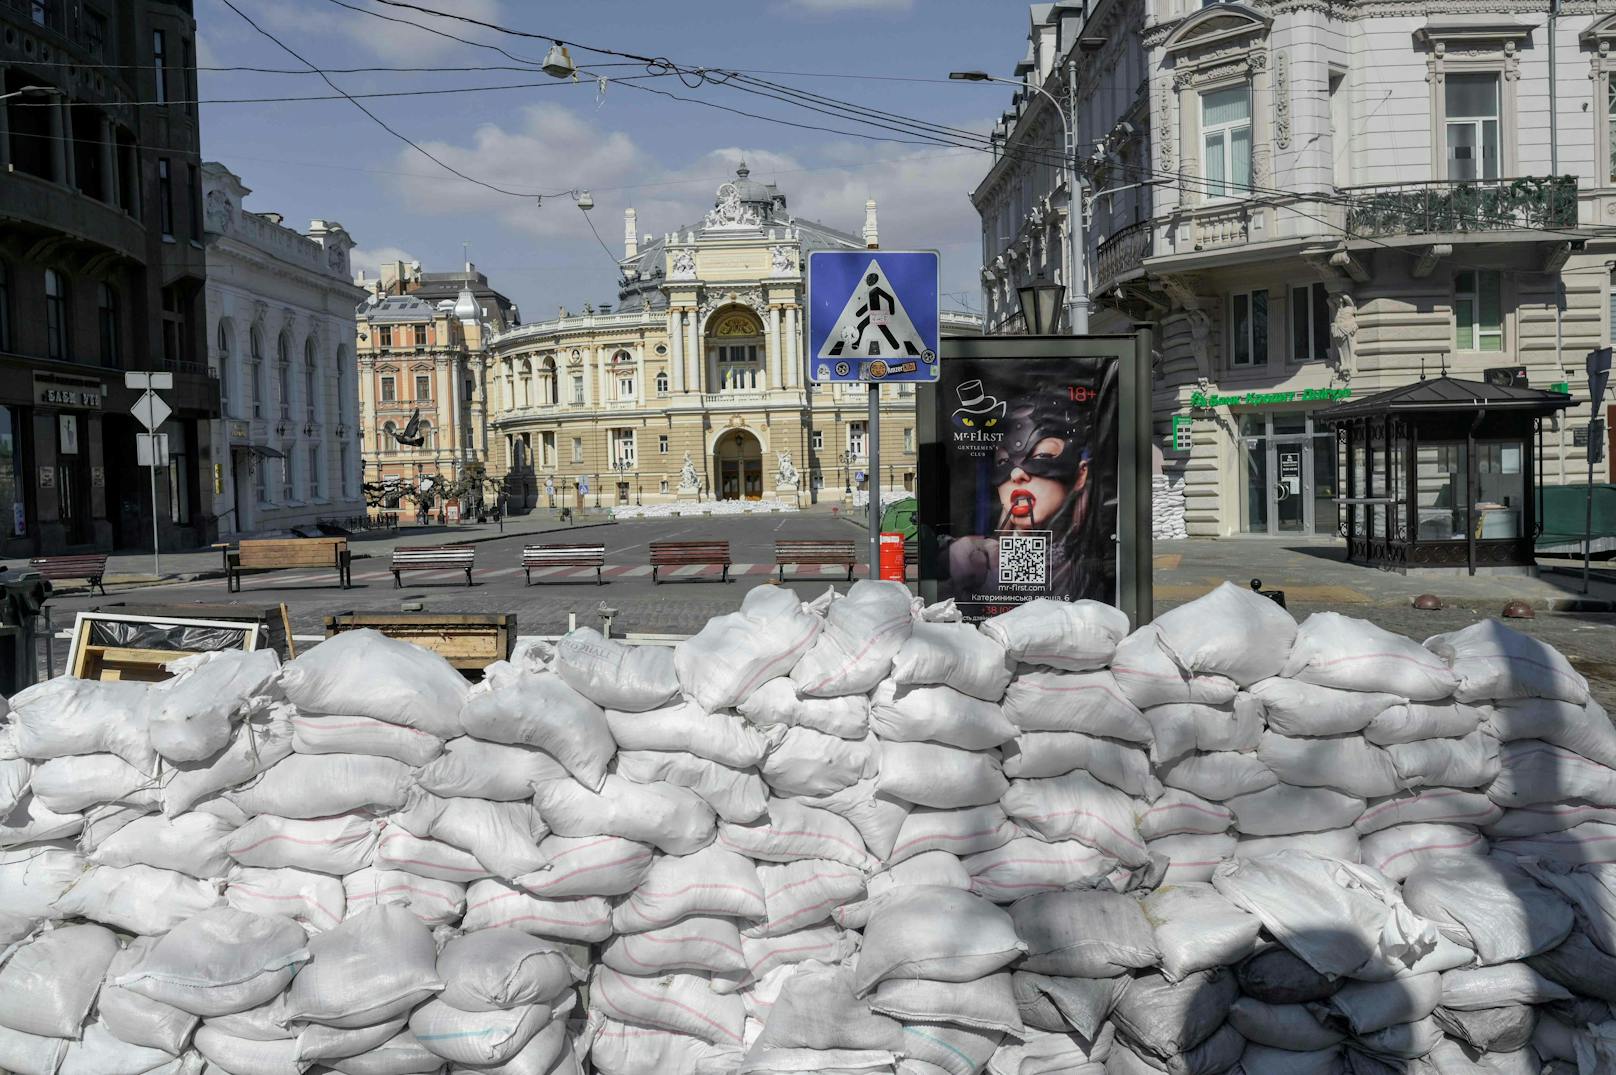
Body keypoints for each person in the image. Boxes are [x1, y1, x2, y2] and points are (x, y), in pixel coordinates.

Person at [944, 371, 1114, 605]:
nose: (1016, 474)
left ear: (1081, 474)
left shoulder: (1096, 561)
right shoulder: (982, 558)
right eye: (1003, 462)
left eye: (1042, 456)